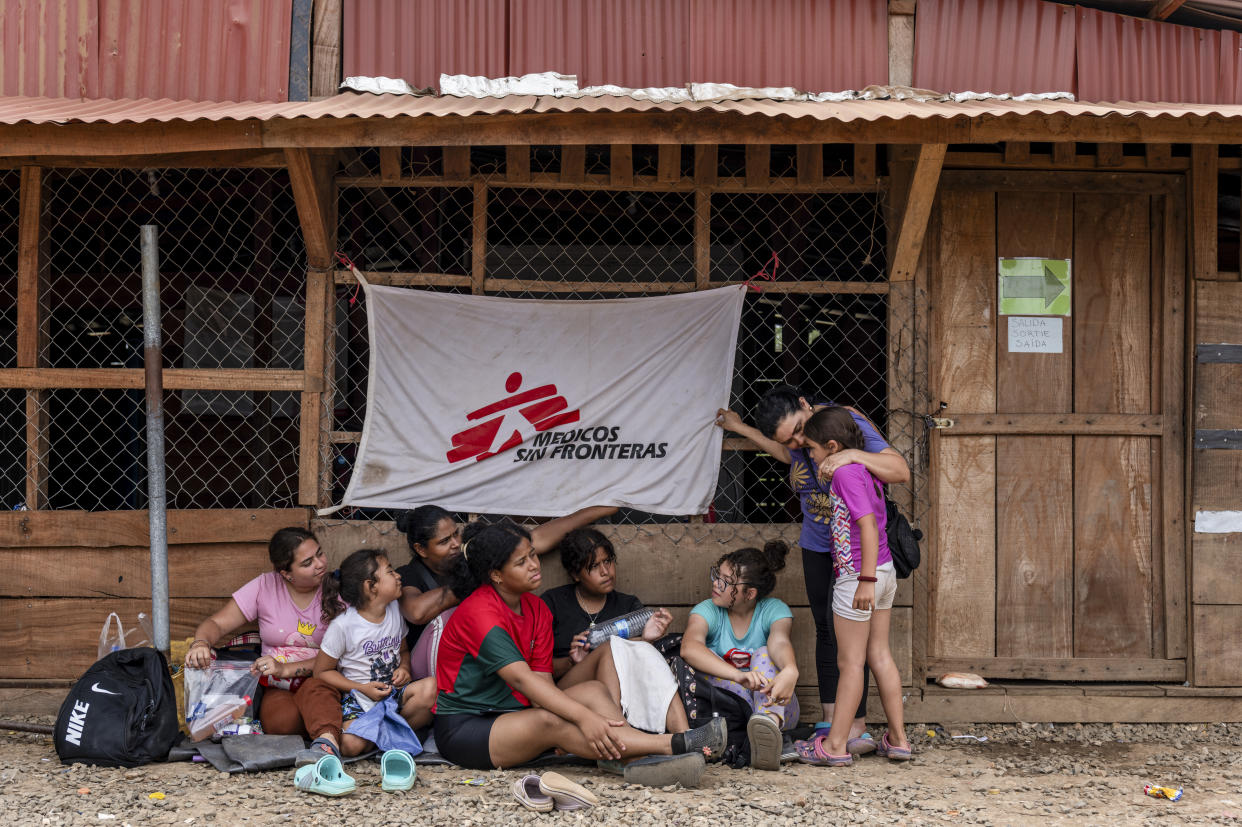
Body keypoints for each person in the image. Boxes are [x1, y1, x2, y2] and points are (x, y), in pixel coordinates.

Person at [432, 519, 726, 786]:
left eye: (533, 554)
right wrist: (584, 719)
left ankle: (629, 758)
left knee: (594, 691)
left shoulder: (536, 609)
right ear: (496, 574)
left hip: (518, 713)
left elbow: (541, 683)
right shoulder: (479, 612)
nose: (534, 565)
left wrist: (588, 713)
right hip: (469, 726)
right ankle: (670, 746)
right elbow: (523, 681)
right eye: (521, 562)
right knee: (552, 722)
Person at [716, 385, 909, 751]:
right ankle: (832, 717)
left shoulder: (840, 425)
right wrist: (741, 429)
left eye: (801, 432)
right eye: (790, 441)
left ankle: (856, 726)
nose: (799, 444)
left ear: (806, 406)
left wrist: (853, 455)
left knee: (854, 643)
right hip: (819, 544)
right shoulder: (798, 444)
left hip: (853, 552)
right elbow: (785, 454)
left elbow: (899, 470)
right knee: (825, 629)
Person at [796, 407, 910, 765]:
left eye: (812, 449)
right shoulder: (866, 468)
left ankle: (834, 746)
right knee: (879, 655)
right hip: (884, 572)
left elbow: (868, 526)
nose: (809, 456)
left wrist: (864, 580)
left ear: (831, 446)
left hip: (859, 576)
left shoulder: (845, 473)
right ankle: (899, 739)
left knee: (850, 663)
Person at [185, 527, 346, 766]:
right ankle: (328, 724)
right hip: (276, 687)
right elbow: (216, 623)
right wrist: (201, 643)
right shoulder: (265, 586)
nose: (320, 564)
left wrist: (285, 669)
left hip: (321, 677)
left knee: (317, 693)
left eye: (320, 554)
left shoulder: (337, 589)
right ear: (286, 573)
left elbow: (345, 653)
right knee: (281, 722)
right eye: (307, 562)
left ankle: (327, 745)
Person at [396, 504, 618, 651]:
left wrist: (599, 510)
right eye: (444, 541)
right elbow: (417, 612)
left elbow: (537, 538)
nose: (455, 543)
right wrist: (474, 573)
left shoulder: (472, 550)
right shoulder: (409, 574)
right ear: (421, 549)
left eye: (456, 533)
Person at [542, 528, 686, 734]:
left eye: (607, 562)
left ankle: (686, 737)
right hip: (569, 692)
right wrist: (572, 661)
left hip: (624, 693)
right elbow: (539, 672)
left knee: (638, 650)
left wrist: (647, 640)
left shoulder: (628, 606)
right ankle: (623, 736)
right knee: (611, 647)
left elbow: (640, 663)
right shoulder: (553, 603)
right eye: (594, 566)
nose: (605, 572)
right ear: (575, 574)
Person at [679, 540, 799, 771]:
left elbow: (779, 641)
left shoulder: (774, 610)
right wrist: (738, 676)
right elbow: (689, 647)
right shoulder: (707, 610)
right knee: (708, 657)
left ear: (750, 593)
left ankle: (767, 729)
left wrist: (790, 670)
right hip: (726, 711)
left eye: (726, 582)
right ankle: (765, 739)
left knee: (764, 653)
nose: (716, 583)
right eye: (717, 575)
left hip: (776, 705)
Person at [313, 549, 436, 756]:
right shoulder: (344, 626)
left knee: (432, 689)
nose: (398, 576)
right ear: (371, 587)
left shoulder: (395, 609)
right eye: (390, 572)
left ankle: (380, 737)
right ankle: (394, 734)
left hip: (394, 696)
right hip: (360, 699)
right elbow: (321, 672)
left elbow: (404, 649)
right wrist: (361, 687)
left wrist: (404, 667)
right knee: (350, 745)